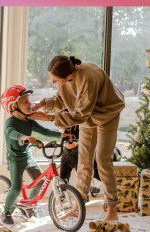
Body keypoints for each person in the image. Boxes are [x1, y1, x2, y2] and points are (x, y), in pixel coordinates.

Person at [28, 55, 125, 222]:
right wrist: (41, 104)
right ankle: (78, 205)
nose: (53, 82)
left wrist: (49, 118)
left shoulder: (89, 76)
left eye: (55, 80)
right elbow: (61, 100)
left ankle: (112, 209)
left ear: (69, 76)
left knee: (102, 160)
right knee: (84, 160)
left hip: (107, 114)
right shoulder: (67, 76)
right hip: (87, 117)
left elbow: (80, 115)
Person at [0, 85, 70, 225]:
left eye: (29, 101)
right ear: (13, 107)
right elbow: (10, 133)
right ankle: (6, 212)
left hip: (27, 156)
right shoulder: (10, 122)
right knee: (16, 188)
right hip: (15, 158)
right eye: (25, 102)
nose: (30, 104)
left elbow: (45, 132)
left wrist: (63, 135)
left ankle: (27, 207)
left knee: (40, 181)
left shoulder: (29, 121)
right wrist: (24, 137)